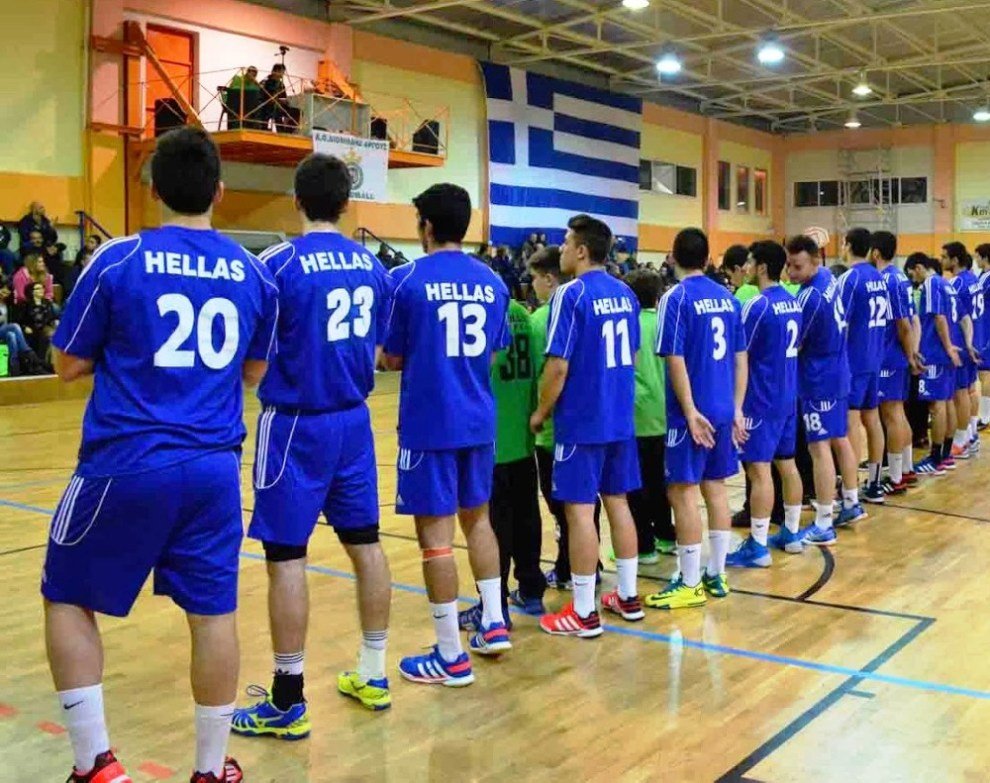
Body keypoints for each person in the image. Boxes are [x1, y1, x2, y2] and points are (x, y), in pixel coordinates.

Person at [41, 127, 278, 783]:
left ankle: (95, 764)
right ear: (220, 191)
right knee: (214, 614)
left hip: (126, 461)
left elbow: (66, 363)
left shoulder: (117, 260)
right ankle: (210, 769)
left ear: (153, 190)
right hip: (214, 472)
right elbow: (254, 373)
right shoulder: (255, 273)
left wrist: (129, 357)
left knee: (66, 594)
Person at [231, 154, 395, 740]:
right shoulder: (373, 266)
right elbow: (382, 351)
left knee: (286, 557)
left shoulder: (276, 265)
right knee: (366, 545)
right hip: (354, 422)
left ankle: (287, 698)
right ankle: (373, 673)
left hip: (295, 425)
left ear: (296, 201)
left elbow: (252, 360)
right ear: (346, 205)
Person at [383, 183, 511, 684]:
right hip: (479, 421)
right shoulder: (493, 282)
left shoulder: (406, 280)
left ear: (428, 226)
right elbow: (494, 353)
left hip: (430, 425)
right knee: (478, 521)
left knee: (435, 539)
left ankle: (450, 655)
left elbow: (392, 357)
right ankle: (494, 623)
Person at [530, 214, 644, 635]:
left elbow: (558, 366)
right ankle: (628, 596)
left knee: (579, 512)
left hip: (582, 421)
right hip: (619, 418)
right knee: (618, 503)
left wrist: (540, 412)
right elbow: (631, 357)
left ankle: (583, 611)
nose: (561, 249)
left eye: (565, 243)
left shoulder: (570, 295)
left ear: (581, 250)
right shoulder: (626, 293)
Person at [646, 228, 747, 610]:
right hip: (722, 407)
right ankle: (716, 573)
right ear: (707, 259)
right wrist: (737, 407)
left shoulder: (676, 298)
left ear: (672, 257)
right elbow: (741, 358)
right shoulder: (728, 299)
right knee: (715, 487)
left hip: (693, 413)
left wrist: (689, 411)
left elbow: (675, 358)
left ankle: (689, 582)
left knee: (682, 491)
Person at [460, 287, 546, 625]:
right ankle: (532, 590)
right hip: (522, 432)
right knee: (527, 516)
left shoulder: (482, 312)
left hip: (491, 434)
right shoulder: (521, 313)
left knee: (494, 525)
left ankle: (495, 608)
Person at [726, 241, 805, 567]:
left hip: (761, 399)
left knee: (759, 470)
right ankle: (792, 532)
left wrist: (736, 404)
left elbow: (740, 355)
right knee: (787, 464)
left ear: (761, 267)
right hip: (788, 395)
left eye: (749, 261)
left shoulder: (758, 306)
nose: (745, 267)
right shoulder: (793, 302)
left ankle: (757, 545)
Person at [527, 247, 602, 589]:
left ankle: (572, 569)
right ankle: (585, 563)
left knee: (564, 506)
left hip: (554, 429)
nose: (531, 286)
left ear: (548, 279)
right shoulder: (590, 305)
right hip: (591, 420)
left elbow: (543, 372)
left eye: (534, 278)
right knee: (587, 501)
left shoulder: (542, 318)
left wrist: (538, 413)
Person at [786, 234, 863, 545]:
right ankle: (852, 502)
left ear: (816, 261)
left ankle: (824, 521)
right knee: (840, 438)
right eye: (789, 265)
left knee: (819, 448)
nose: (791, 272)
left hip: (819, 380)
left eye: (797, 266)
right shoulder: (830, 278)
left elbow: (796, 344)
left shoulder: (809, 298)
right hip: (840, 371)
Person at [623, 268, 675, 560]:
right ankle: (666, 534)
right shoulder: (665, 322)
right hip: (666, 412)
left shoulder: (629, 323)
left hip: (637, 413)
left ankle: (643, 546)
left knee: (636, 483)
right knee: (660, 480)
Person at [838, 227, 890, 505]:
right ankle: (874, 483)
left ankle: (851, 487)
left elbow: (840, 323)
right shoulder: (879, 277)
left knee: (852, 423)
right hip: (875, 358)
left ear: (847, 245)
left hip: (853, 362)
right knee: (873, 418)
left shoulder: (850, 278)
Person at [872, 231, 922, 494]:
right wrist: (912, 352)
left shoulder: (887, 280)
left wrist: (911, 354)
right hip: (898, 355)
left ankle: (894, 477)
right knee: (898, 413)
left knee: (891, 415)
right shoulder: (900, 278)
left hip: (889, 356)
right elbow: (912, 321)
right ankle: (906, 468)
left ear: (875, 252)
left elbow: (903, 324)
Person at [914, 256, 963, 475]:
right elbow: (964, 317)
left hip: (935, 352)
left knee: (937, 406)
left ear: (919, 268)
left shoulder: (932, 283)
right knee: (948, 401)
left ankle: (936, 458)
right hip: (946, 352)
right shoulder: (947, 284)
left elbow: (939, 317)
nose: (913, 277)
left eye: (913, 272)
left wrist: (948, 346)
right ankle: (946, 455)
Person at [942, 242, 982, 457]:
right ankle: (971, 434)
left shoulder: (956, 283)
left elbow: (954, 315)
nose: (942, 260)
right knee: (970, 389)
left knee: (960, 394)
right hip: (975, 339)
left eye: (944, 257)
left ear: (955, 260)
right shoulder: (973, 279)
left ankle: (961, 441)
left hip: (962, 342)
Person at [19, 280, 58, 359]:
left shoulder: (47, 303)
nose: (41, 290)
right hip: (32, 328)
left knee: (51, 335)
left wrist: (55, 322)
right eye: (38, 288)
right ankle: (41, 360)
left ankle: (48, 361)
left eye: (42, 288)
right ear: (32, 292)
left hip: (46, 328)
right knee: (47, 335)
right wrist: (24, 327)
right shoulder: (25, 305)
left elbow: (52, 318)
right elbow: (19, 320)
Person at [975, 244, 990, 428]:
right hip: (982, 328)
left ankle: (985, 417)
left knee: (986, 373)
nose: (976, 260)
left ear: (985, 258)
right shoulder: (982, 276)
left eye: (977, 256)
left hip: (986, 329)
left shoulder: (986, 278)